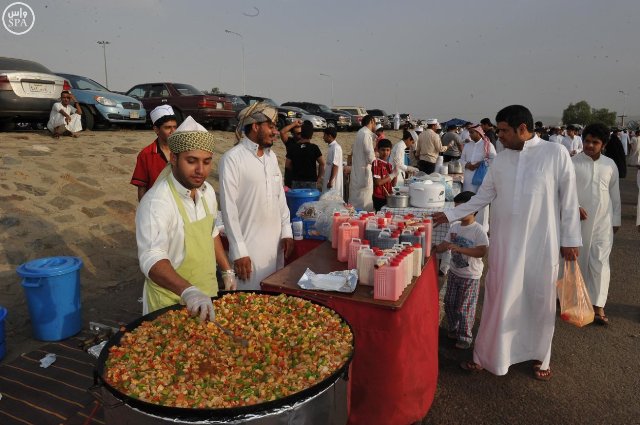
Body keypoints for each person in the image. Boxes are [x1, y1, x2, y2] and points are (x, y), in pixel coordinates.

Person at [432, 105, 581, 381]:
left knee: (539, 299)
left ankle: (540, 356)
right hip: (504, 244)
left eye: (503, 131)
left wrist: (571, 240)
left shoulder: (555, 153)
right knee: (499, 297)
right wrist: (449, 213)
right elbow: (481, 197)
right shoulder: (501, 160)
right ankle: (488, 355)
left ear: (522, 129)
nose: (498, 136)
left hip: (542, 244)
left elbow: (569, 199)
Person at [135, 116, 236, 320]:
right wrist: (188, 291)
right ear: (173, 158)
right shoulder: (157, 202)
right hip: (169, 303)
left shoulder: (206, 192)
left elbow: (211, 231)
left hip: (206, 296)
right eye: (192, 161)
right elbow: (151, 258)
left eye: (207, 162)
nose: (200, 170)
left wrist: (226, 270)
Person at [220, 102, 294, 290]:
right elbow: (229, 210)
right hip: (249, 253)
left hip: (275, 249)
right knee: (250, 306)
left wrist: (287, 232)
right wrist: (239, 251)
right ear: (255, 126)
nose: (275, 132)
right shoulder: (232, 159)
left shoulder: (271, 158)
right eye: (271, 126)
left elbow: (280, 199)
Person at [573, 122, 621, 326]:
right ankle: (575, 301)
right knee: (578, 261)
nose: (590, 145)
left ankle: (598, 305)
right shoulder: (572, 163)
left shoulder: (610, 164)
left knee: (600, 263)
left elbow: (614, 195)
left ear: (604, 144)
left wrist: (616, 220)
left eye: (595, 142)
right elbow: (563, 192)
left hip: (603, 222)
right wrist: (573, 206)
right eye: (587, 141)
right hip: (577, 222)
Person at [435, 191, 489, 350]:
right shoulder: (454, 227)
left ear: (474, 209)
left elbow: (481, 252)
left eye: (462, 209)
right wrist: (434, 249)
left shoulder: (478, 230)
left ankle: (465, 336)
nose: (458, 213)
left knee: (464, 308)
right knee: (449, 303)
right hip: (454, 273)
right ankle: (453, 328)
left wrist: (460, 249)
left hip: (470, 277)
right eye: (456, 209)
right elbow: (444, 245)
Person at [130, 105, 178, 201]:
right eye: (168, 127)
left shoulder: (182, 150)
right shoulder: (146, 154)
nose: (173, 131)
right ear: (156, 129)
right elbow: (142, 187)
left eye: (175, 127)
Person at [461, 124, 497, 232]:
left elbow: (494, 159)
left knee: (482, 202)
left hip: (482, 178)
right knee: (468, 200)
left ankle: (482, 229)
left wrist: (480, 164)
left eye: (472, 132)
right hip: (468, 178)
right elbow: (461, 159)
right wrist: (467, 165)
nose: (470, 135)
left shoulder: (488, 145)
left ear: (479, 132)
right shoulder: (467, 145)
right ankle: (469, 225)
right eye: (469, 132)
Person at [285, 120, 325, 189]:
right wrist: (319, 177)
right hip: (311, 181)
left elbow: (287, 165)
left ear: (301, 133)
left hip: (296, 180)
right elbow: (322, 163)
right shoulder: (314, 148)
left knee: (298, 199)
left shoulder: (293, 147)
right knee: (311, 199)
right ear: (311, 135)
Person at [348, 115, 376, 211]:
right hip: (364, 175)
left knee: (355, 205)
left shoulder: (360, 133)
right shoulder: (366, 134)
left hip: (357, 173)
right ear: (372, 121)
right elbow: (370, 157)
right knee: (364, 206)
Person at [371, 139, 396, 211]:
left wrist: (396, 172)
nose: (385, 153)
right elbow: (377, 182)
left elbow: (393, 184)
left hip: (388, 196)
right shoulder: (376, 163)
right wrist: (392, 175)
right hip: (378, 197)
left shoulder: (389, 165)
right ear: (378, 150)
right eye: (383, 150)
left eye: (388, 150)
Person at [279, 120, 303, 187]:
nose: (300, 135)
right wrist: (294, 124)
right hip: (290, 173)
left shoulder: (305, 142)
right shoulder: (289, 141)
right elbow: (282, 132)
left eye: (301, 133)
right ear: (293, 134)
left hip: (301, 173)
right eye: (298, 133)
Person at [322, 127, 344, 197]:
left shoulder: (336, 147)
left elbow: (335, 165)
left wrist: (331, 181)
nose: (323, 137)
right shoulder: (331, 147)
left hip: (333, 182)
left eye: (324, 135)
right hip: (329, 178)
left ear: (329, 136)